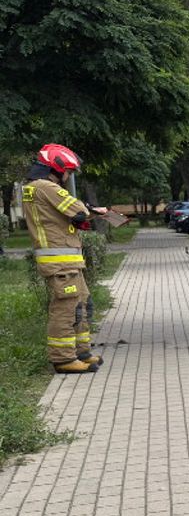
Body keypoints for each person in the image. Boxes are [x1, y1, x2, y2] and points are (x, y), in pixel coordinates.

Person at [21, 144, 100, 374]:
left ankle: (81, 351)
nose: (68, 177)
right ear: (57, 167)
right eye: (69, 171)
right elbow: (78, 211)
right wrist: (87, 211)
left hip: (66, 260)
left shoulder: (37, 188)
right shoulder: (45, 187)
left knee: (82, 304)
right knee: (66, 308)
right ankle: (63, 359)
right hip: (59, 261)